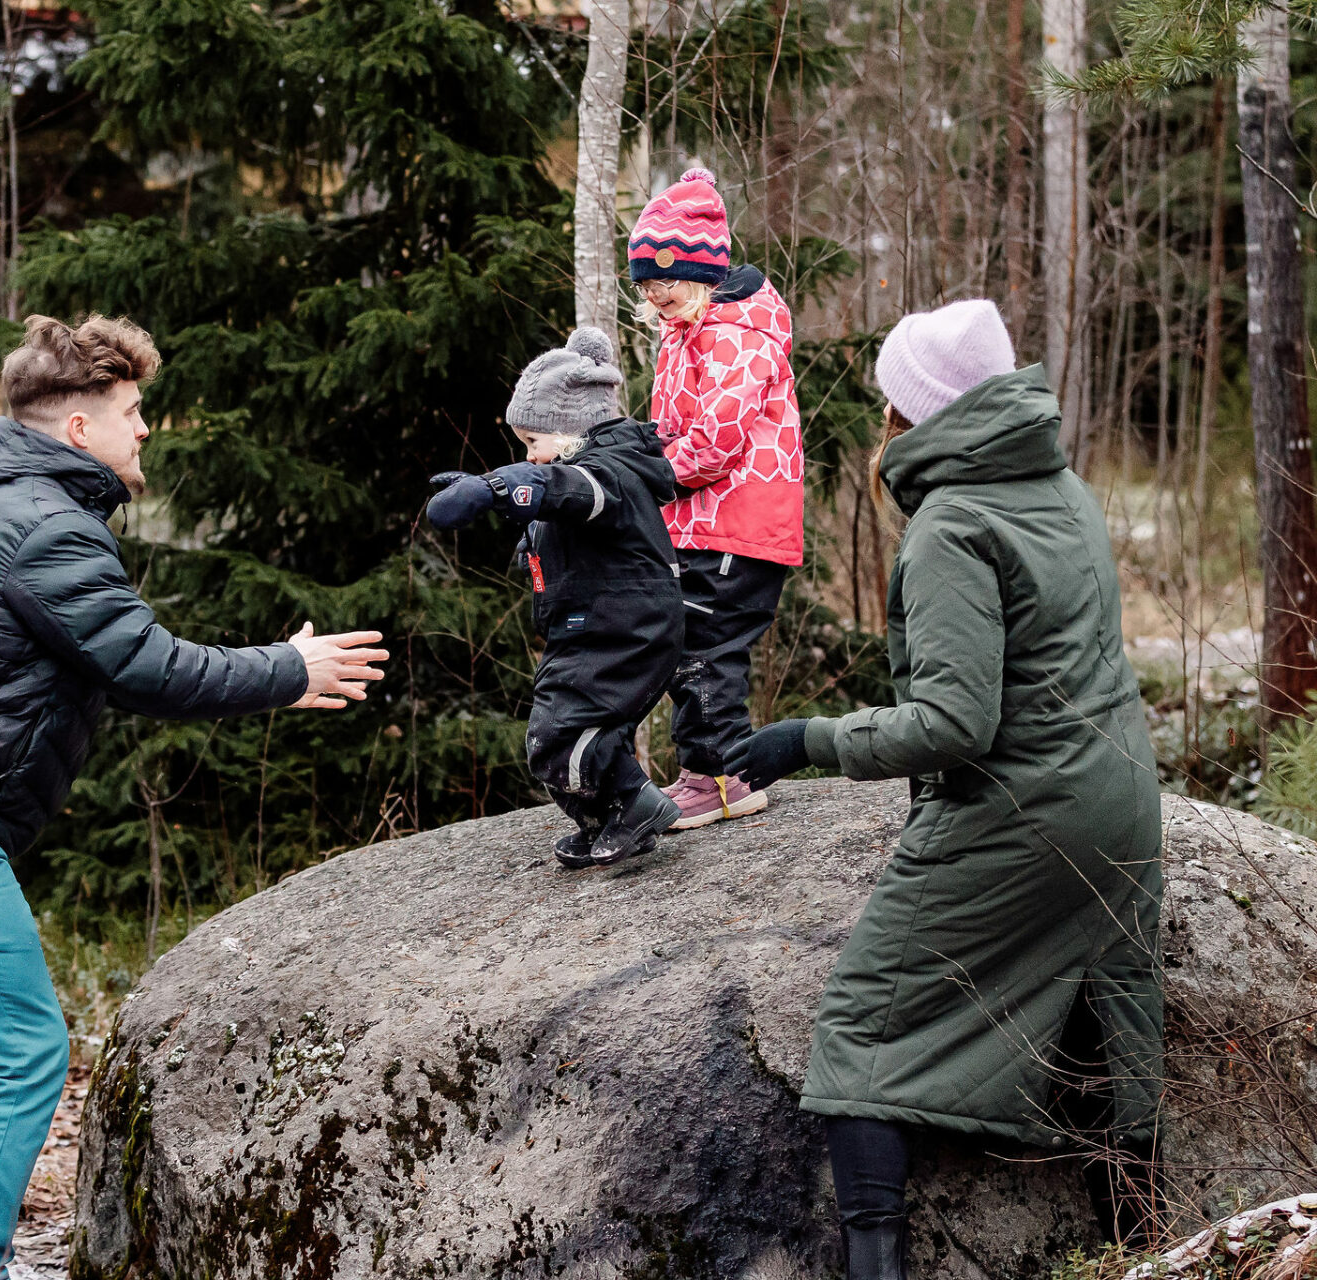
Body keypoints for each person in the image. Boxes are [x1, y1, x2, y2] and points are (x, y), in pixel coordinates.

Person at [0, 314, 390, 1280]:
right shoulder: (44, 529)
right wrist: (289, 667)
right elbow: (146, 666)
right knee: (24, 1053)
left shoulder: (19, 514)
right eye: (132, 411)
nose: (146, 429)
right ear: (80, 430)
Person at [724, 300, 1165, 1279]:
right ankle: (1152, 1255)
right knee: (1107, 1014)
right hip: (1125, 797)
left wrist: (806, 738)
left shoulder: (951, 526)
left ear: (913, 415)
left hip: (1030, 809)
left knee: (864, 1022)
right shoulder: (1066, 488)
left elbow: (957, 725)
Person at [425, 327, 683, 867]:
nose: (530, 456)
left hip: (626, 627)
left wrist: (496, 485)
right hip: (586, 625)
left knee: (570, 728)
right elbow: (555, 515)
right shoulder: (574, 477)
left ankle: (637, 804)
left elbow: (568, 491)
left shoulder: (607, 474)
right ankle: (603, 819)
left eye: (532, 444)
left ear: (570, 434)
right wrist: (500, 504)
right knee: (549, 734)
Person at [626, 167, 804, 830]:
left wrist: (649, 473)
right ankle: (707, 770)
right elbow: (677, 429)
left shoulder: (737, 335)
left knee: (706, 643)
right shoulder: (688, 332)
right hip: (703, 523)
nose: (655, 296)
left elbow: (715, 441)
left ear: (703, 273)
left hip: (740, 523)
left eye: (666, 283)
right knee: (688, 640)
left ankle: (724, 774)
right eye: (646, 286)